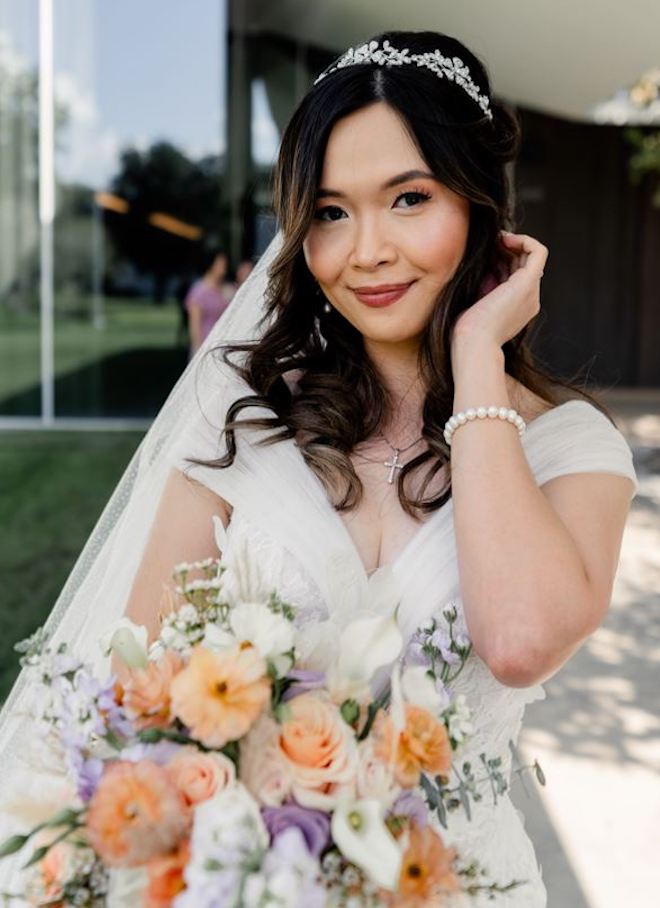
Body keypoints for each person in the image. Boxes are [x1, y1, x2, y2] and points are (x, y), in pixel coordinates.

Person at [0, 30, 638, 906]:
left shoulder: (573, 450)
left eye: (409, 198)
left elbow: (520, 642)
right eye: (331, 212)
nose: (365, 250)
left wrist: (479, 353)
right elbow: (131, 700)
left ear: (482, 207)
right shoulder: (242, 420)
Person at [184, 248, 235, 358]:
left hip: (223, 348)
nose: (224, 267)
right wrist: (198, 352)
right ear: (212, 265)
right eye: (221, 264)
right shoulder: (199, 292)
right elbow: (195, 327)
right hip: (204, 349)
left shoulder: (227, 289)